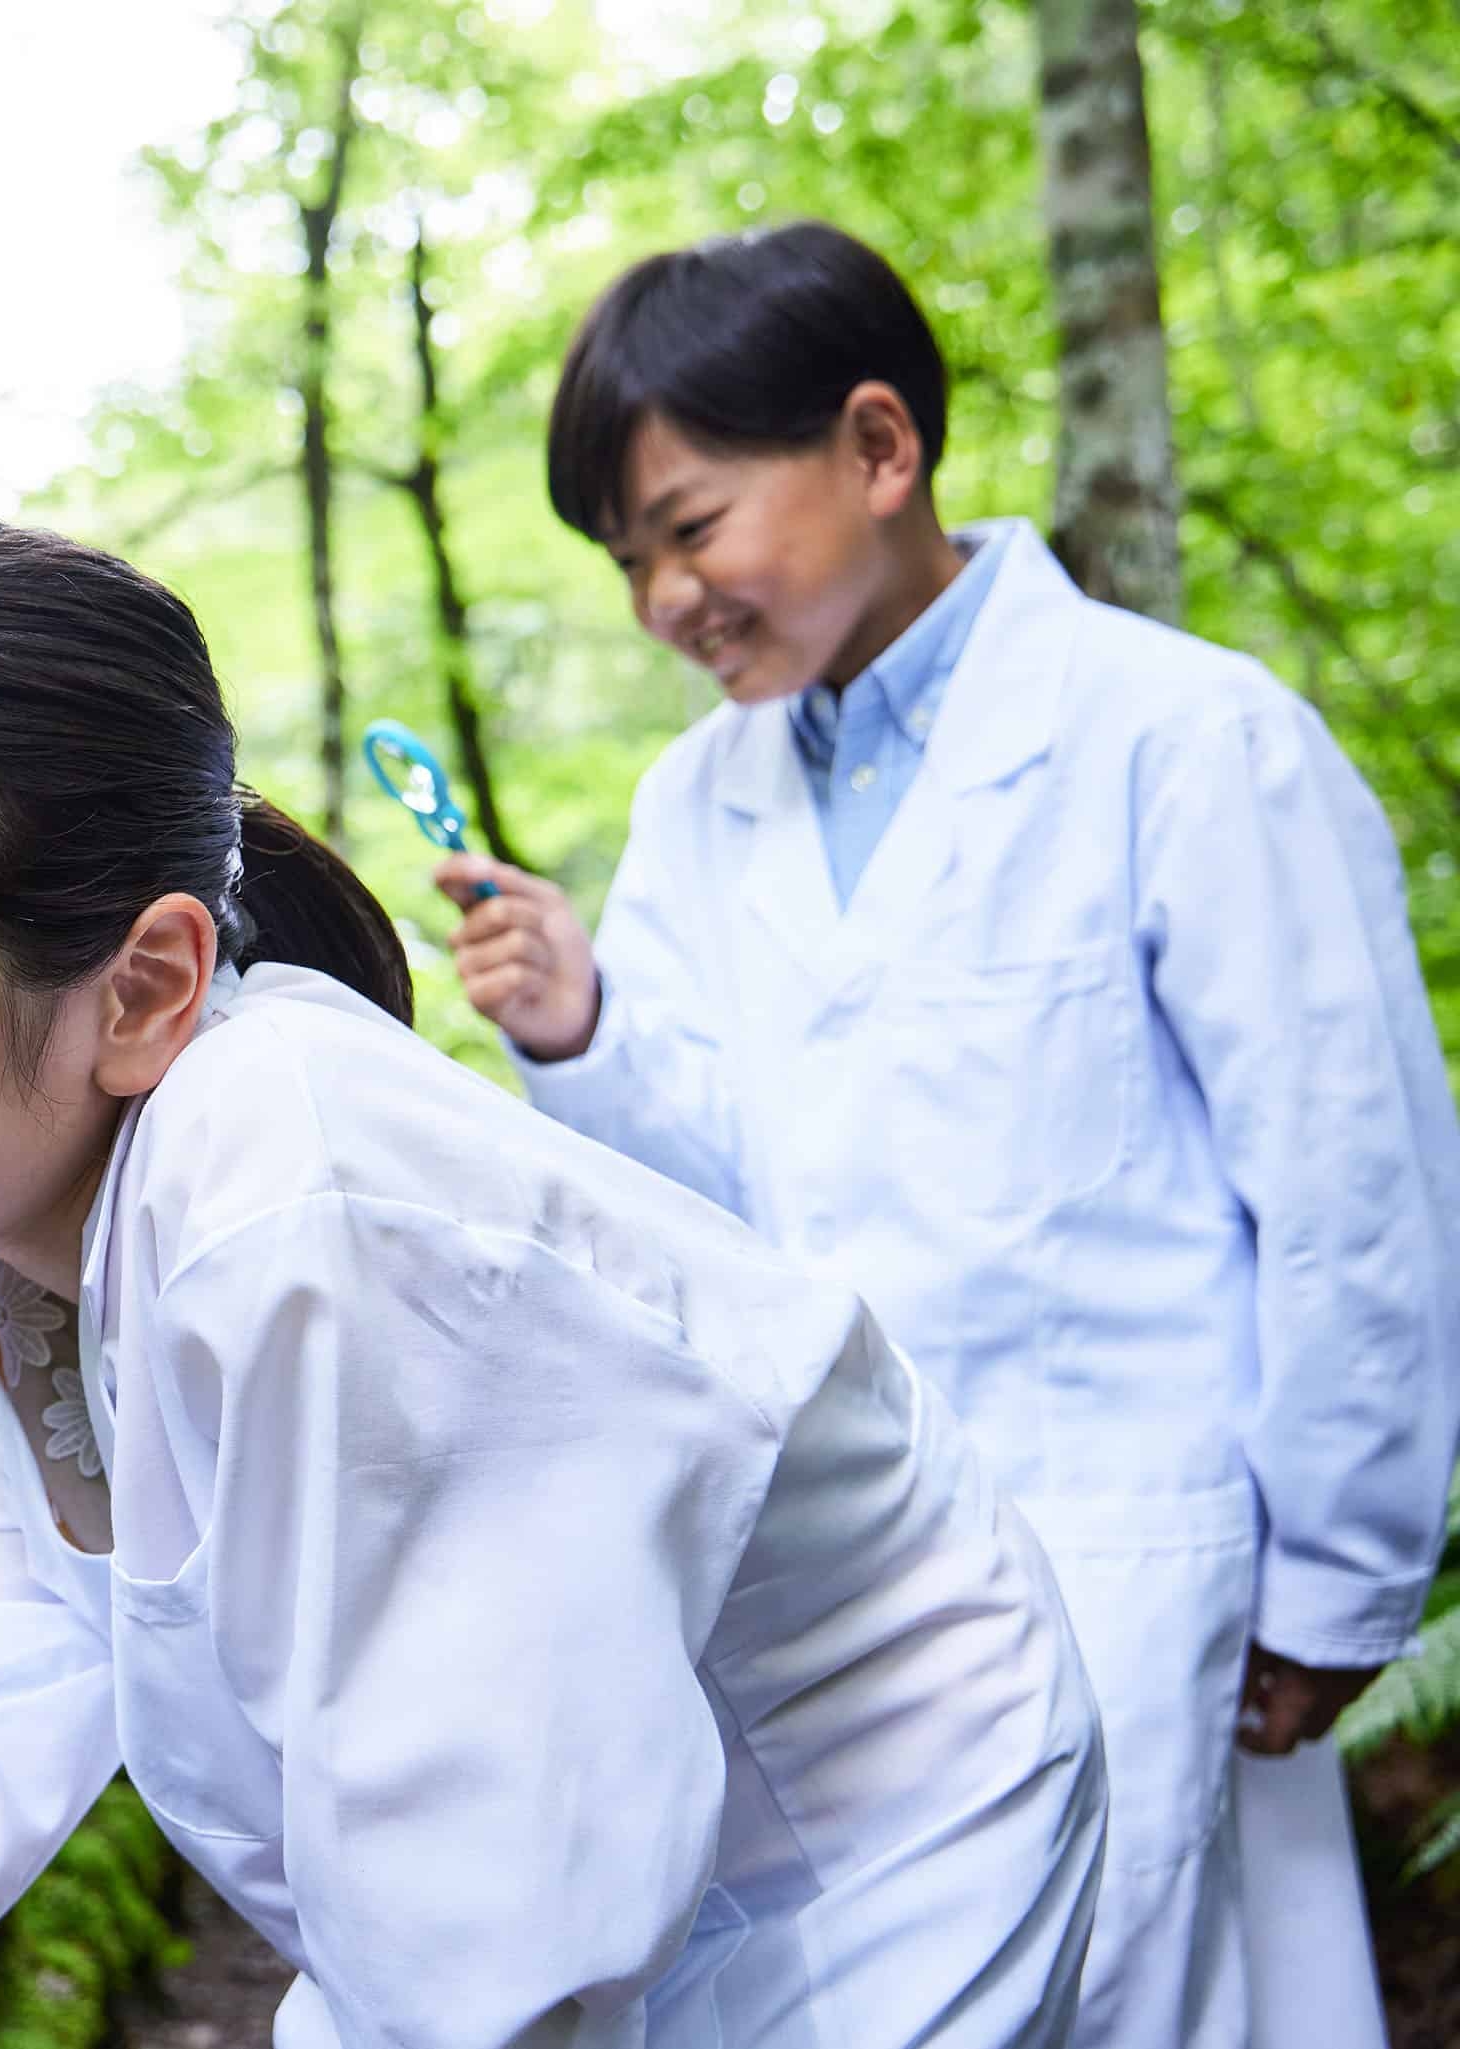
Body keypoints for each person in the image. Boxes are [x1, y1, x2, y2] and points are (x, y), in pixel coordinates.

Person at [0, 519, 1106, 2047]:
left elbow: (488, 1924)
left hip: (870, 1852)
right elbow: (1, 1682)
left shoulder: (305, 1207)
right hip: (590, 1890)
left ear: (143, 985)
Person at [438, 220, 1460, 2049]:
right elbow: (722, 1219)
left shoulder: (1188, 741)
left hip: (1140, 1569)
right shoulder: (695, 806)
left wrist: (1339, 1580)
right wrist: (583, 1035)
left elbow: (1349, 1193)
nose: (665, 598)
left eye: (689, 527)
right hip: (831, 1601)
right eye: (626, 561)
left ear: (880, 446)